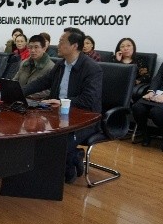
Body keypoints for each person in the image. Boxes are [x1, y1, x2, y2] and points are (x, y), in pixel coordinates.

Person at [19, 27, 103, 184]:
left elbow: (89, 99)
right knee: (32, 129)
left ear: (74, 46)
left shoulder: (92, 68)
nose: (57, 45)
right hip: (58, 114)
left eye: (61, 42)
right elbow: (43, 82)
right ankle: (71, 157)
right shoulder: (61, 64)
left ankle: (72, 161)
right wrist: (19, 91)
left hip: (84, 119)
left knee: (59, 141)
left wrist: (63, 102)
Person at [13, 34, 55, 99]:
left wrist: (27, 95)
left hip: (37, 101)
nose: (32, 50)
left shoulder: (51, 67)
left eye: (36, 47)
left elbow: (49, 91)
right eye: (30, 47)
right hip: (19, 98)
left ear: (44, 49)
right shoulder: (24, 63)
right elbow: (15, 81)